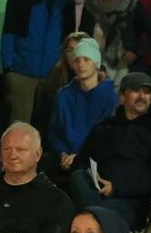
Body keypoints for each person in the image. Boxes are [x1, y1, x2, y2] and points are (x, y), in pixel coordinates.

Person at [71, 72, 151, 230]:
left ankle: (91, 216)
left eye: (146, 92)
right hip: (94, 193)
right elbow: (80, 162)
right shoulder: (104, 127)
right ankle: (92, 214)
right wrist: (93, 180)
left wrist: (117, 188)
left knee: (91, 216)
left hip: (130, 201)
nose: (142, 96)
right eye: (136, 90)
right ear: (122, 97)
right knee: (77, 177)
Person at [2, 0, 84, 125]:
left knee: (49, 124)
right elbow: (9, 31)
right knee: (19, 124)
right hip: (22, 70)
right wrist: (8, 66)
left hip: (53, 71)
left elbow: (69, 36)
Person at [49, 37, 116, 172]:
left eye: (86, 59)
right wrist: (62, 153)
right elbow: (54, 131)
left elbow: (107, 138)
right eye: (77, 60)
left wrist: (80, 157)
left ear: (96, 63)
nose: (81, 64)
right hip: (63, 158)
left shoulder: (110, 97)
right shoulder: (64, 95)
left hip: (94, 162)